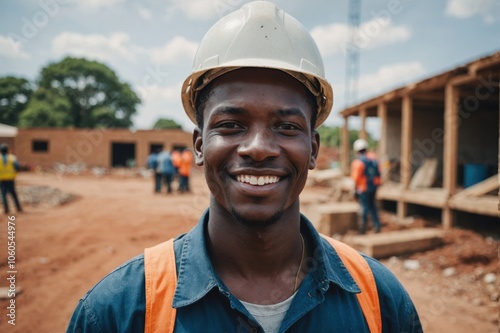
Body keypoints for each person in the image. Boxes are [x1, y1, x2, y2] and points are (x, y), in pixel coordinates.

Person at [67, 2, 422, 332]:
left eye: (286, 127)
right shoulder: (119, 311)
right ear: (199, 145)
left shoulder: (379, 301)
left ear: (312, 149)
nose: (258, 148)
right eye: (231, 125)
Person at [351, 138, 382, 234]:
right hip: (374, 186)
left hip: (363, 188)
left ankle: (363, 228)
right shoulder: (374, 158)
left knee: (364, 207)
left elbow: (356, 178)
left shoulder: (358, 162)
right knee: (372, 206)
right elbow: (379, 172)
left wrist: (355, 190)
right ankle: (377, 226)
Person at [0, 144, 23, 215]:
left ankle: (6, 209)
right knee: (13, 194)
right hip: (10, 179)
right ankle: (18, 208)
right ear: (7, 150)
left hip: (2, 180)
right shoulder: (12, 158)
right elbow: (17, 167)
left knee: (4, 195)